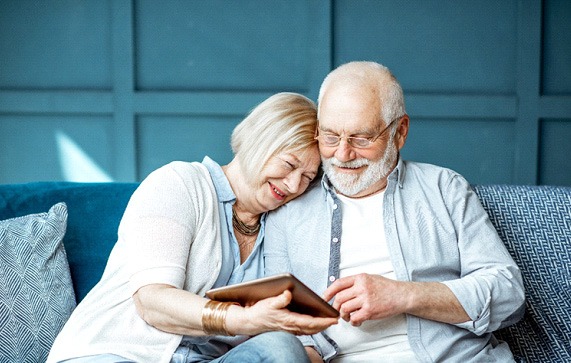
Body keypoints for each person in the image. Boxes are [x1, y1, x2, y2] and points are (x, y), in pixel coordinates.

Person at [47, 92, 338, 363]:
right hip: (121, 353)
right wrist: (240, 320)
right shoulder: (179, 183)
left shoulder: (278, 228)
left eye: (307, 177)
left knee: (280, 347)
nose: (293, 185)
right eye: (289, 164)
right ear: (258, 140)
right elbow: (152, 302)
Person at [264, 62, 525, 362]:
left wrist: (403, 295)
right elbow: (281, 319)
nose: (342, 154)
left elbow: (508, 294)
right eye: (330, 136)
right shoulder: (287, 211)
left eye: (362, 139)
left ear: (399, 132)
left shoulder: (444, 188)